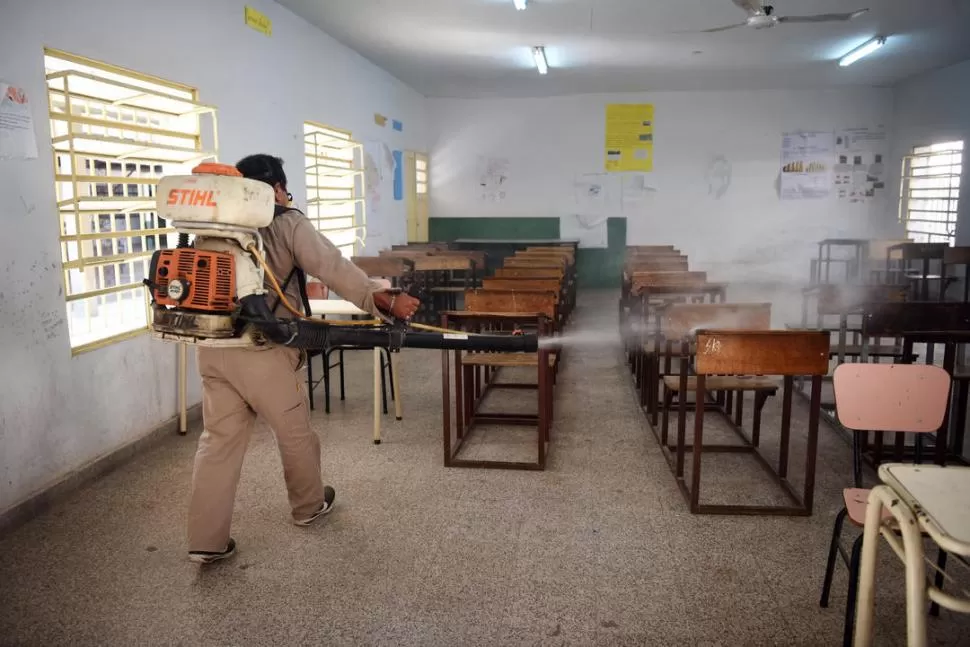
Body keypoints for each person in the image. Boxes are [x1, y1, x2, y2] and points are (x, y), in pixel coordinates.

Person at [186, 153, 420, 564]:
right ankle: (308, 506)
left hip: (214, 350)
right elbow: (331, 266)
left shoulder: (211, 229)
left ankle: (205, 541)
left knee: (217, 442)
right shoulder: (286, 221)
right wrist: (379, 298)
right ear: (276, 187)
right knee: (294, 431)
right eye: (284, 188)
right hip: (265, 351)